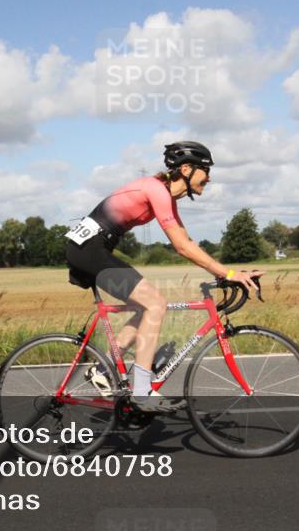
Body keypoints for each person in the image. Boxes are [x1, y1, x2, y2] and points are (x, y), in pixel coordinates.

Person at [65, 141, 261, 413]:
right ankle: (142, 392)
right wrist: (227, 273)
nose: (209, 178)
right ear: (186, 169)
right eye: (206, 170)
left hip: (90, 248)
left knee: (146, 306)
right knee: (155, 303)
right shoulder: (156, 190)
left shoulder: (164, 195)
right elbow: (182, 248)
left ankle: (103, 369)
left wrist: (229, 272)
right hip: (89, 250)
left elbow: (187, 241)